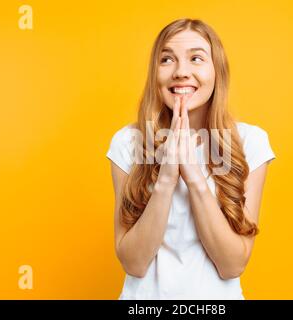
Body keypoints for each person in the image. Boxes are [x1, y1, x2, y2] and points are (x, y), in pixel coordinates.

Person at [106, 18, 276, 299]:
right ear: (155, 73)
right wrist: (167, 177)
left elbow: (232, 265)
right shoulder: (128, 142)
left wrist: (193, 174)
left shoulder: (250, 143)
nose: (181, 72)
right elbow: (134, 263)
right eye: (167, 59)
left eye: (196, 58)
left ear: (217, 71)